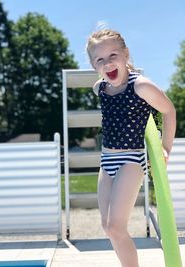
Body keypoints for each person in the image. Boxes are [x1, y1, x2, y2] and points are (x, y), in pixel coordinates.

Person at [86, 29, 176, 267]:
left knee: (116, 226)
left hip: (131, 161)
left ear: (126, 54)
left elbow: (169, 111)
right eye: (100, 59)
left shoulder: (141, 86)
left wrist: (165, 148)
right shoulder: (101, 88)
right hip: (106, 162)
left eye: (113, 54)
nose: (108, 63)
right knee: (108, 227)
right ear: (94, 64)